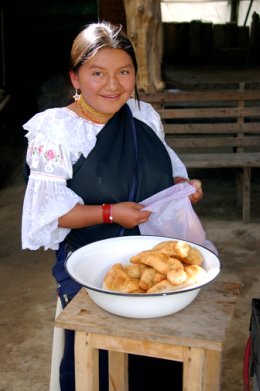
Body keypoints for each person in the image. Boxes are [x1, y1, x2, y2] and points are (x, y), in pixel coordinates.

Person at [21, 21, 203, 391]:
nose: (113, 85)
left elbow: (162, 171)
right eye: (97, 73)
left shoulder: (143, 117)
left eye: (124, 72)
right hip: (92, 267)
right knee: (101, 366)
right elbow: (49, 213)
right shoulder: (57, 132)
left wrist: (181, 187)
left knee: (157, 359)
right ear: (75, 78)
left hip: (151, 260)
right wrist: (110, 212)